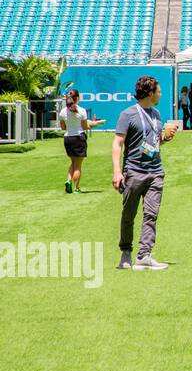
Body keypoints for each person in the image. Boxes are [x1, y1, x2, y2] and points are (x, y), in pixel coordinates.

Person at [111, 76, 178, 271]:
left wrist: (165, 138)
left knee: (151, 214)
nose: (160, 94)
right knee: (128, 215)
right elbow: (117, 143)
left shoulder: (156, 114)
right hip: (133, 171)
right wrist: (117, 172)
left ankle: (144, 255)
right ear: (150, 93)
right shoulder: (128, 114)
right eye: (158, 91)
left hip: (156, 171)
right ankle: (125, 253)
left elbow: (154, 142)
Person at [58, 88, 99, 194]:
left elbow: (63, 127)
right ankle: (76, 188)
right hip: (78, 138)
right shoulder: (81, 110)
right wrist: (94, 124)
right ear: (76, 98)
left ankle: (68, 180)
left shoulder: (63, 111)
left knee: (73, 162)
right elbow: (85, 126)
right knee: (78, 165)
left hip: (68, 138)